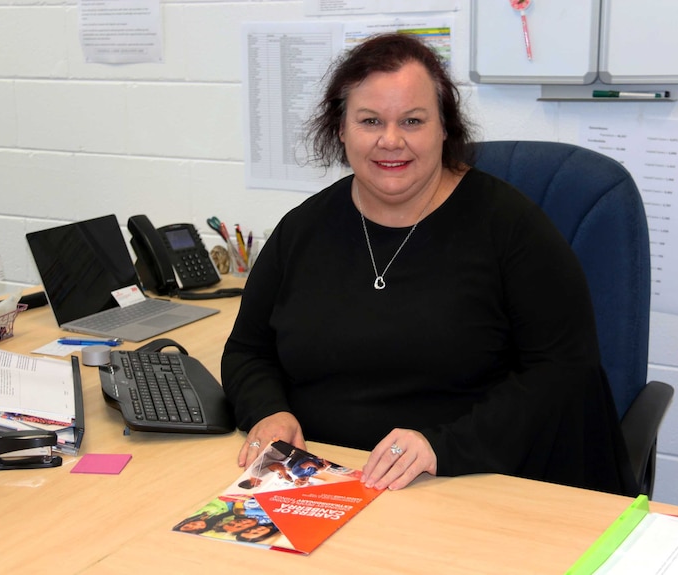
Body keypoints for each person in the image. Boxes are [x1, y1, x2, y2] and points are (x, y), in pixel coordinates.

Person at [221, 33, 637, 497]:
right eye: (370, 120)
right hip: (317, 484)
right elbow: (248, 350)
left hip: (468, 482)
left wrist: (443, 446)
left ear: (444, 128)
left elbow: (564, 373)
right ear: (341, 129)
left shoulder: (511, 228)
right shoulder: (303, 230)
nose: (390, 140)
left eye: (413, 120)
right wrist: (267, 411)